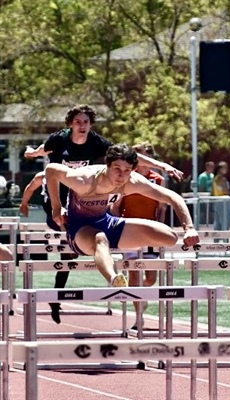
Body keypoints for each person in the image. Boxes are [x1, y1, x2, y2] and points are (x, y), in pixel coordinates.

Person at [23, 104, 184, 324]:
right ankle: (99, 270)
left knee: (164, 236)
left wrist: (161, 165)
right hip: (63, 194)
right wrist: (35, 156)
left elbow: (133, 158)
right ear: (70, 124)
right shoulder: (59, 140)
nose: (82, 126)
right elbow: (48, 161)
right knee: (85, 241)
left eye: (86, 122)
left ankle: (91, 251)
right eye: (78, 122)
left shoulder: (99, 144)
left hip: (97, 207)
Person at [44, 144, 200, 292]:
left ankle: (116, 256)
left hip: (106, 223)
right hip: (80, 231)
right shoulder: (84, 180)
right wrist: (56, 207)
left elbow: (172, 197)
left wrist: (189, 228)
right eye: (117, 168)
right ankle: (115, 279)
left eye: (127, 170)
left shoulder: (131, 182)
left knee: (169, 237)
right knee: (100, 238)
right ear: (107, 165)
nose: (121, 175)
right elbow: (51, 170)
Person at [114, 142, 166, 330]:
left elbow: (161, 207)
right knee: (134, 274)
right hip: (129, 230)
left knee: (151, 277)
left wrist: (160, 229)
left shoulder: (158, 179)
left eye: (144, 156)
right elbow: (116, 206)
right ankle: (138, 317)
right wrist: (116, 227)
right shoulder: (127, 178)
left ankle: (138, 295)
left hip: (150, 231)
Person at [210, 161, 230, 231]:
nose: (226, 169)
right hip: (224, 202)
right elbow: (226, 191)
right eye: (225, 167)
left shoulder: (214, 179)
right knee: (225, 221)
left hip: (217, 201)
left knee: (217, 222)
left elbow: (212, 192)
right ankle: (225, 239)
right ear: (220, 169)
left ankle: (216, 240)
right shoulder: (222, 179)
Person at [198, 161, 215, 225]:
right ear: (207, 167)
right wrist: (203, 196)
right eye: (211, 167)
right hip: (204, 197)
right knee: (203, 212)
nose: (212, 168)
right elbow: (201, 188)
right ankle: (202, 224)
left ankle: (210, 224)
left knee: (211, 212)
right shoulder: (203, 176)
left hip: (211, 197)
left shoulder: (212, 176)